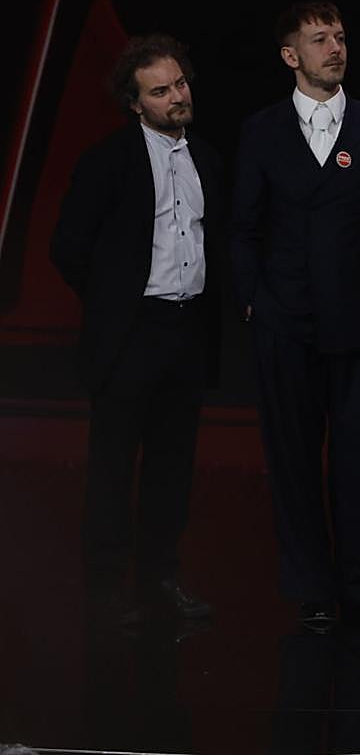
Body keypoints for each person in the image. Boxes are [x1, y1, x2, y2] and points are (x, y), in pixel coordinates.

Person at [230, 1, 360, 631]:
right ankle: (311, 586)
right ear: (291, 55)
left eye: (340, 37)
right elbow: (243, 227)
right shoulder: (261, 131)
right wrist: (254, 300)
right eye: (320, 39)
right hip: (286, 324)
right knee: (292, 461)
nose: (335, 48)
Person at [51, 34, 220, 625]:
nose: (177, 97)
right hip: (131, 334)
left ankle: (160, 579)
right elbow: (68, 247)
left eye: (180, 84)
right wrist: (113, 305)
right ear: (135, 102)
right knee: (113, 468)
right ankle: (104, 588)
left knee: (172, 466)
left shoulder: (207, 158)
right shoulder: (107, 160)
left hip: (186, 331)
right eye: (161, 91)